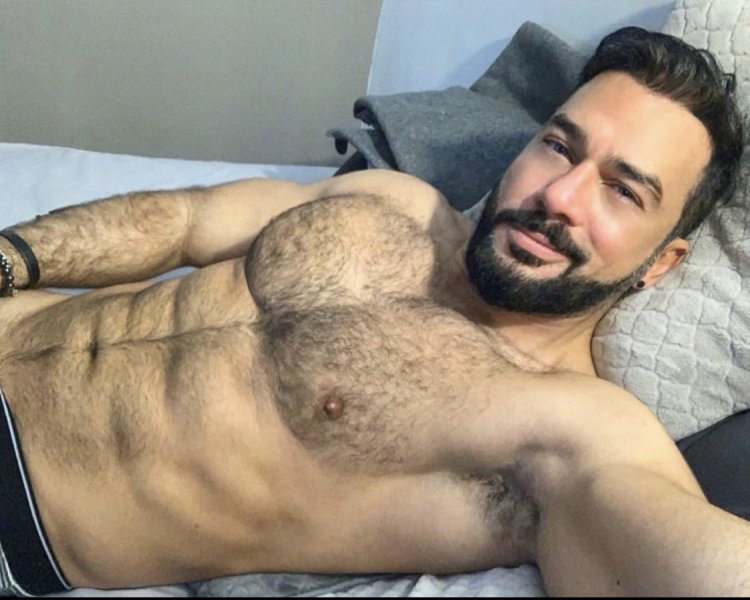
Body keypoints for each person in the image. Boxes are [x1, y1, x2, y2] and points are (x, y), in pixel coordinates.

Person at [0, 26, 747, 596]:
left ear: (660, 264)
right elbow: (189, 221)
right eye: (559, 146)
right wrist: (14, 257)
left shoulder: (570, 421)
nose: (561, 196)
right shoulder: (394, 201)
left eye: (623, 190)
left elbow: (683, 550)